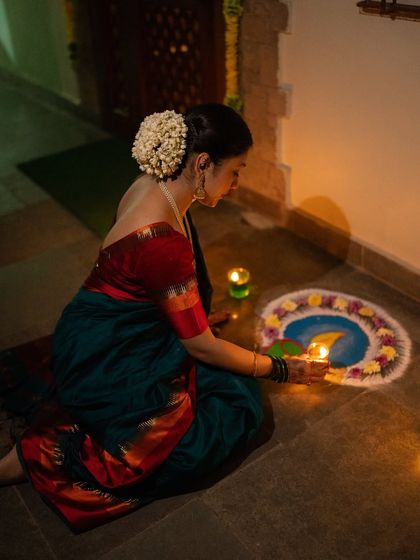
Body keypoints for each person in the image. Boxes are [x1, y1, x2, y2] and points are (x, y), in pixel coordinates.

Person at [0, 104, 327, 532]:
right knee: (230, 411)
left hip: (89, 331)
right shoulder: (162, 240)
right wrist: (281, 368)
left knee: (218, 374)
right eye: (235, 171)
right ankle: (35, 456)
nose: (236, 185)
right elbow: (200, 344)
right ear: (203, 163)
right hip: (108, 356)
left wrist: (192, 312)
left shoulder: (154, 186)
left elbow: (143, 285)